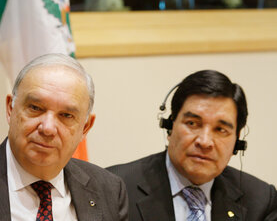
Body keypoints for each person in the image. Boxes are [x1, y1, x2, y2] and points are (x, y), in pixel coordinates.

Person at [0, 53, 128, 220]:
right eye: (35, 108)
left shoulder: (108, 190)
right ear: (11, 109)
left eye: (66, 116)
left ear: (85, 127)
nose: (48, 128)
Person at [108, 69, 277, 221]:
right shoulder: (113, 188)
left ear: (237, 142)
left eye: (220, 129)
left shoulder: (260, 201)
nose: (204, 141)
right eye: (192, 123)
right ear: (170, 126)